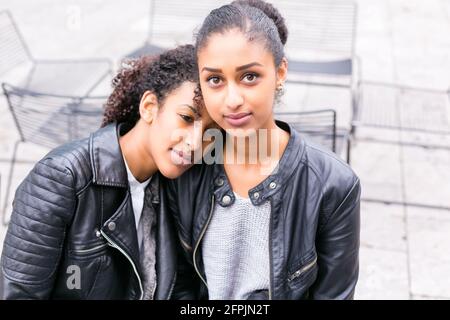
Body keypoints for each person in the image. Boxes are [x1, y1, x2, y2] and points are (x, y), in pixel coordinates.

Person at [167, 0, 361, 300]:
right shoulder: (188, 169)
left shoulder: (333, 186)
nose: (232, 100)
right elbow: (180, 287)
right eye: (215, 80)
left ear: (280, 72)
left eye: (249, 77)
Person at [0, 44, 213, 299]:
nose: (196, 143)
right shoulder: (61, 177)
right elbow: (19, 293)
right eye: (187, 118)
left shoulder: (177, 184)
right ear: (149, 107)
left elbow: (180, 286)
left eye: (212, 132)